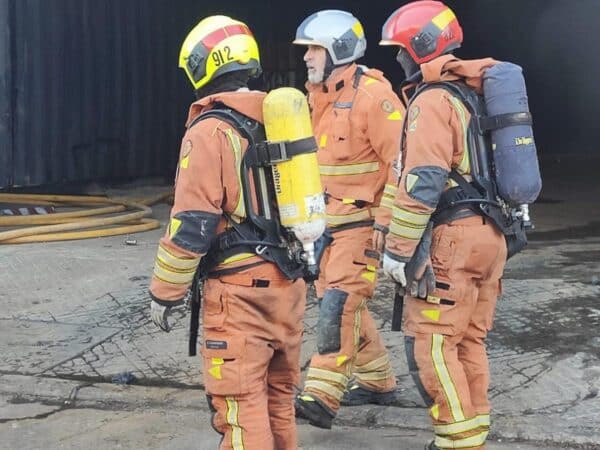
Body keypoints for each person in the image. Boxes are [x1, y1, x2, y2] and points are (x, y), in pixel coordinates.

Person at [148, 15, 307, 450]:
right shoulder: (282, 118)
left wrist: (165, 293)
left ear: (205, 67)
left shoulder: (210, 131)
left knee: (239, 406)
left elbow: (191, 225)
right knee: (278, 400)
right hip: (288, 285)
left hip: (239, 295)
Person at [380, 2, 509, 449]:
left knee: (434, 346)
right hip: (490, 236)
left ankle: (456, 442)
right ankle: (473, 435)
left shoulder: (432, 100)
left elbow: (423, 181)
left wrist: (397, 249)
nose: (397, 58)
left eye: (400, 49)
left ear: (419, 47)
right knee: (469, 341)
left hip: (453, 241)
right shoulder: (473, 94)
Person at [291, 9, 405, 429]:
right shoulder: (314, 96)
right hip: (325, 228)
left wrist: (388, 223)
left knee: (338, 307)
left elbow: (403, 163)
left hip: (362, 225)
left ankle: (320, 396)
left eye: (315, 49)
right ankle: (377, 381)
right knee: (343, 304)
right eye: (307, 49)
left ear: (339, 49)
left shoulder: (375, 97)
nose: (307, 57)